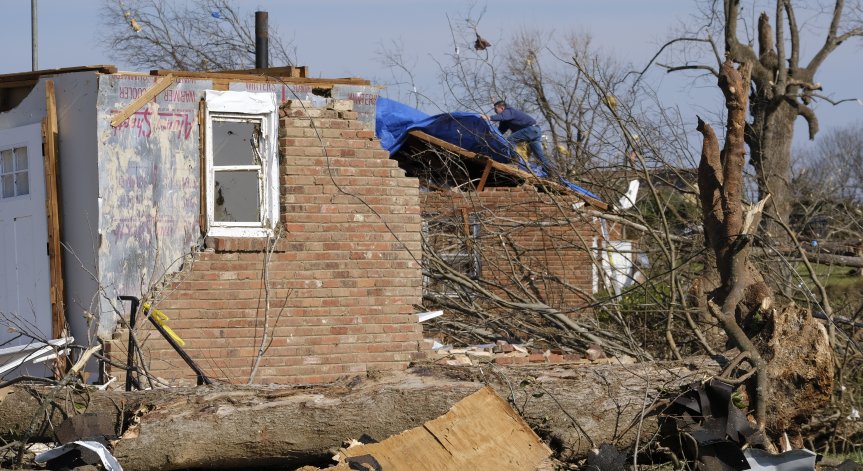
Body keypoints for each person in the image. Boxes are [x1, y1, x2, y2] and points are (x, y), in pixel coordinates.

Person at [482, 100, 551, 172]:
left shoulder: (509, 111)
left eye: (496, 110)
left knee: (510, 139)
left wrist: (489, 118)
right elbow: (500, 131)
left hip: (531, 129)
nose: (495, 112)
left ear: (502, 108)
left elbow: (502, 116)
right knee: (539, 155)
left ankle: (515, 160)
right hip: (535, 131)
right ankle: (549, 171)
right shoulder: (505, 120)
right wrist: (490, 136)